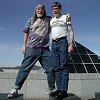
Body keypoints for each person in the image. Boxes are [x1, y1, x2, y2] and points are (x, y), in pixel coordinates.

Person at [7, 4, 55, 98]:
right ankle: (15, 89)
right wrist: (24, 46)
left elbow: (58, 17)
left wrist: (66, 15)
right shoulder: (31, 19)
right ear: (35, 10)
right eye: (38, 9)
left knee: (51, 69)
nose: (39, 11)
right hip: (32, 48)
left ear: (44, 10)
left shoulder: (49, 19)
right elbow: (26, 32)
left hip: (45, 49)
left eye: (41, 9)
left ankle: (51, 89)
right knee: (24, 69)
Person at [50, 2, 74, 99]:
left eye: (56, 8)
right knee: (56, 67)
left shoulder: (65, 17)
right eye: (53, 9)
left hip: (63, 42)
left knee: (63, 66)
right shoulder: (51, 20)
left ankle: (64, 90)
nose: (55, 10)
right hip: (53, 43)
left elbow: (71, 30)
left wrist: (71, 44)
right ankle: (59, 88)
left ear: (60, 9)